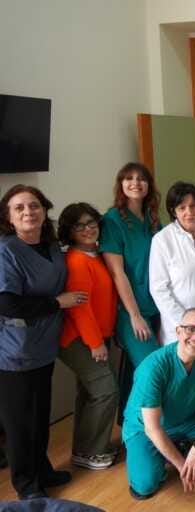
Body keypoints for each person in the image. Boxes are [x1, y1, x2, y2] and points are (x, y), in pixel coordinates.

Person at [0, 185, 81, 499]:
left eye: (34, 205)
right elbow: (7, 304)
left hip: (44, 347)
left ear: (45, 210)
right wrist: (57, 303)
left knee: (39, 415)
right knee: (20, 423)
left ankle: (42, 469)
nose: (28, 212)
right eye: (19, 208)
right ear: (8, 217)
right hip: (14, 352)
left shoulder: (50, 246)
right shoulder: (6, 251)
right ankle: (26, 485)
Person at [121, 307, 195, 500]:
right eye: (190, 329)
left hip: (186, 419)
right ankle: (176, 459)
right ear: (178, 331)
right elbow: (152, 428)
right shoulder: (153, 367)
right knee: (144, 486)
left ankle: (193, 458)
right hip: (145, 428)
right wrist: (182, 467)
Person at [57, 203, 119, 470]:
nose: (87, 229)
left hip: (96, 337)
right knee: (106, 391)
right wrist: (95, 343)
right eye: (79, 226)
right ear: (69, 231)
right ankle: (91, 451)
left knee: (90, 392)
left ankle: (83, 449)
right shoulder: (77, 261)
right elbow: (79, 308)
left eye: (91, 223)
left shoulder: (96, 255)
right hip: (79, 339)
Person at [100, 163, 162, 412]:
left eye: (141, 178)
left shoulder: (153, 219)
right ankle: (153, 427)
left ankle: (129, 422)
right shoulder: (112, 220)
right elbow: (118, 273)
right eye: (129, 178)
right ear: (121, 184)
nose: (135, 183)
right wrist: (135, 316)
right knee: (154, 369)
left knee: (137, 372)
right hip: (131, 311)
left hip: (157, 306)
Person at [149, 182, 195, 354]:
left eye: (193, 206)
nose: (189, 212)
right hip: (180, 325)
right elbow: (158, 289)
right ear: (173, 211)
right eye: (182, 208)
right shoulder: (162, 240)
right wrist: (186, 323)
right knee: (184, 366)